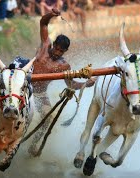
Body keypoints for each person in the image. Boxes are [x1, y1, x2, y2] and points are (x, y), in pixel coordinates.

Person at [28, 8, 95, 156]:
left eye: (61, 51)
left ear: (65, 51)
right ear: (53, 45)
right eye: (56, 49)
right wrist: (51, 15)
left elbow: (71, 85)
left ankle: (33, 145)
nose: (57, 53)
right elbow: (43, 23)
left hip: (40, 94)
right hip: (24, 88)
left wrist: (86, 84)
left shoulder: (64, 66)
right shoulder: (45, 45)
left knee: (49, 118)